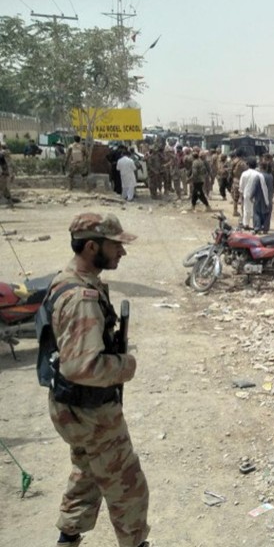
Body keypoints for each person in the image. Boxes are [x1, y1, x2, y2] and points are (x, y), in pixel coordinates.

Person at [47, 213, 150, 547]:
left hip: (72, 408)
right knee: (129, 488)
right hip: (91, 411)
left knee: (87, 473)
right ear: (92, 246)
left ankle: (68, 537)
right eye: (114, 245)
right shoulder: (81, 298)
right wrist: (125, 365)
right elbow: (80, 367)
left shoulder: (68, 279)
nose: (121, 252)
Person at [238, 160, 263, 228]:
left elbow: (241, 186)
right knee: (255, 210)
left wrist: (240, 197)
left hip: (246, 193)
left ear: (248, 165)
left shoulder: (244, 173)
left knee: (246, 209)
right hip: (256, 194)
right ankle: (255, 224)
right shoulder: (258, 174)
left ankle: (246, 224)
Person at [253, 166, 274, 233]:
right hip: (268, 198)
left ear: (261, 168)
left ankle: (257, 227)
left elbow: (254, 188)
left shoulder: (258, 177)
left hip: (259, 198)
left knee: (257, 213)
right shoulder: (271, 176)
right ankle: (265, 229)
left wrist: (251, 196)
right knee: (267, 214)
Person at [0, 142, 13, 208]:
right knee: (4, 188)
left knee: (3, 187)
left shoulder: (3, 154)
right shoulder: (4, 153)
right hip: (5, 174)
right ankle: (9, 201)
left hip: (4, 174)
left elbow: (5, 165)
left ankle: (7, 201)